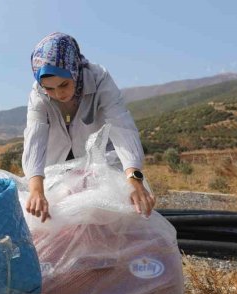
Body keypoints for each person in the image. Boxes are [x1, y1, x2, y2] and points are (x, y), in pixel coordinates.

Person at [22, 32, 155, 222]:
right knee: (60, 219)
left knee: (109, 216)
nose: (58, 94)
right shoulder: (38, 94)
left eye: (64, 84)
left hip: (99, 163)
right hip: (57, 164)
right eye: (49, 89)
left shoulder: (99, 80)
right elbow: (35, 140)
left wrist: (134, 179)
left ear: (74, 70)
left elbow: (122, 128)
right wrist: (36, 189)